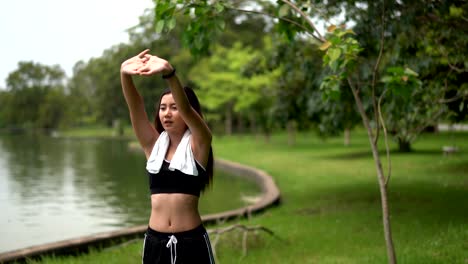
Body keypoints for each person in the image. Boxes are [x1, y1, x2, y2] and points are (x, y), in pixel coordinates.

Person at [120, 49, 215, 264]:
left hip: (191, 242)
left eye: (174, 108)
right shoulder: (153, 147)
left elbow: (188, 110)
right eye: (163, 108)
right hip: (155, 242)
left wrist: (170, 74)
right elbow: (135, 108)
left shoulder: (199, 143)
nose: (167, 113)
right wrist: (125, 75)